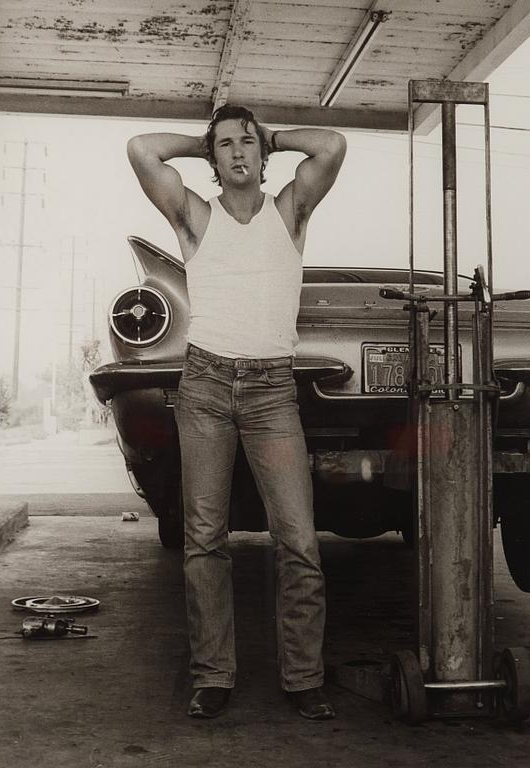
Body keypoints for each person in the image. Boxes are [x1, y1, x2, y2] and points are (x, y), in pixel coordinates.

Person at [127, 105, 346, 720]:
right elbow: (142, 148)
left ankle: (303, 679)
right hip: (204, 386)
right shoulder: (195, 219)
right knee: (204, 539)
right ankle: (213, 676)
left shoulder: (289, 212)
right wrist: (203, 144)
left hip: (272, 390)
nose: (238, 152)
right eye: (226, 145)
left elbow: (330, 145)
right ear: (214, 157)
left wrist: (270, 134)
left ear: (264, 153)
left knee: (298, 539)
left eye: (247, 143)